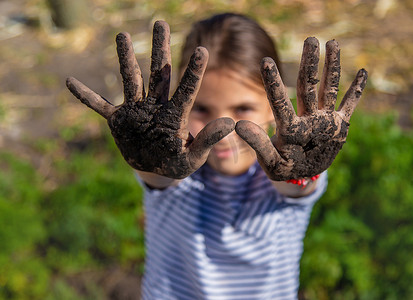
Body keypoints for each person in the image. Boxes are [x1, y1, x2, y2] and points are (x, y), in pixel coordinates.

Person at [66, 13, 367, 300]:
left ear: (274, 105)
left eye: (243, 109)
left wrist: (301, 170)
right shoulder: (173, 166)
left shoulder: (285, 170)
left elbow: (297, 187)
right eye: (201, 109)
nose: (223, 129)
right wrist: (150, 159)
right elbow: (157, 179)